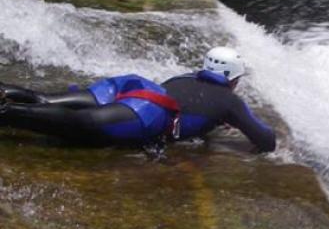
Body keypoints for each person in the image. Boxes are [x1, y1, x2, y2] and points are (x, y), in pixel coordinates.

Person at [0, 46, 276, 153]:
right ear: (232, 78)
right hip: (147, 110)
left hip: (133, 87)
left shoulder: (186, 77)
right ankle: (6, 113)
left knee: (44, 99)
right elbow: (265, 140)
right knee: (81, 124)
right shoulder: (230, 102)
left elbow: (192, 107)